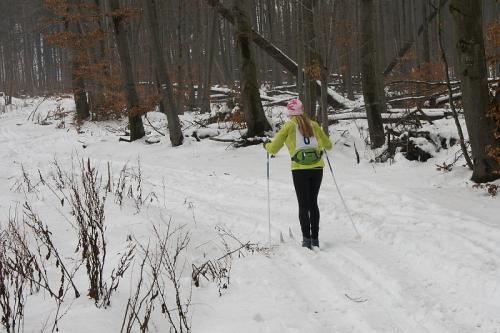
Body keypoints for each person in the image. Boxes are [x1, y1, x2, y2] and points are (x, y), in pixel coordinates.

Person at [264, 99, 332, 249]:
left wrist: (266, 145)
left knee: (303, 205)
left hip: (299, 169)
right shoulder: (313, 124)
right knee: (313, 203)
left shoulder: (288, 126)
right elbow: (328, 145)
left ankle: (306, 240)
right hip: (317, 168)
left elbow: (273, 149)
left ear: (289, 112)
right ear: (302, 110)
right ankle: (315, 239)